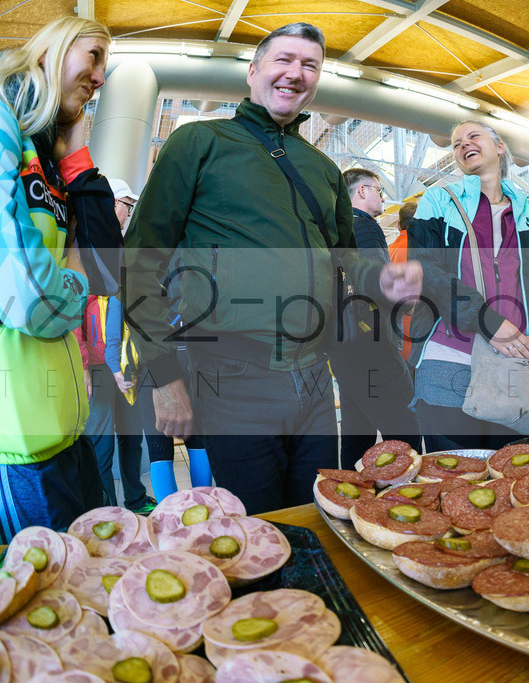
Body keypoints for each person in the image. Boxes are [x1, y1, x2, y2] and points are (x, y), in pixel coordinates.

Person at [123, 23, 421, 515]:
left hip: (316, 381)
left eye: (310, 65)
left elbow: (346, 258)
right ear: (253, 71)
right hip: (233, 378)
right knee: (258, 527)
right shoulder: (199, 143)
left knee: (321, 518)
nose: (295, 74)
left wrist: (382, 280)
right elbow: (137, 265)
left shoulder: (323, 169)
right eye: (283, 60)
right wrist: (165, 378)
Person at [0, 17, 117, 542]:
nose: (100, 77)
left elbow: (111, 266)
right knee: (36, 619)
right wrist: (76, 284)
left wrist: (77, 158)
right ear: (50, 52)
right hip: (8, 449)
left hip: (66, 434)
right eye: (95, 55)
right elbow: (29, 304)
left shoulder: (47, 158)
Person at [408, 120, 529, 451]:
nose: (463, 144)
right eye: (455, 143)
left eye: (473, 136)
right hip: (448, 358)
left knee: (508, 473)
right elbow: (427, 268)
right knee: (452, 477)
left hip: (513, 366)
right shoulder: (438, 201)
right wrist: (489, 323)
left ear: (499, 147)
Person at [75, 179, 158, 513]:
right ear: (111, 206)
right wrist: (83, 363)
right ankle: (106, 509)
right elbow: (73, 312)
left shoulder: (123, 247)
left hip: (125, 362)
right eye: (127, 203)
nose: (129, 212)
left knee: (131, 436)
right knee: (101, 443)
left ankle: (136, 500)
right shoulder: (84, 247)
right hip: (96, 366)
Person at [329, 168, 420, 469]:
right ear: (362, 192)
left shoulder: (338, 229)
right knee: (405, 429)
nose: (383, 197)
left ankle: (352, 495)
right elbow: (378, 285)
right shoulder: (365, 227)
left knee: (357, 432)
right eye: (379, 191)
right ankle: (408, 496)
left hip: (347, 345)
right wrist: (403, 303)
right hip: (374, 346)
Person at [391, 201, 417, 361]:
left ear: (398, 225)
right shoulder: (423, 250)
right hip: (420, 331)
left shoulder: (387, 250)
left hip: (397, 330)